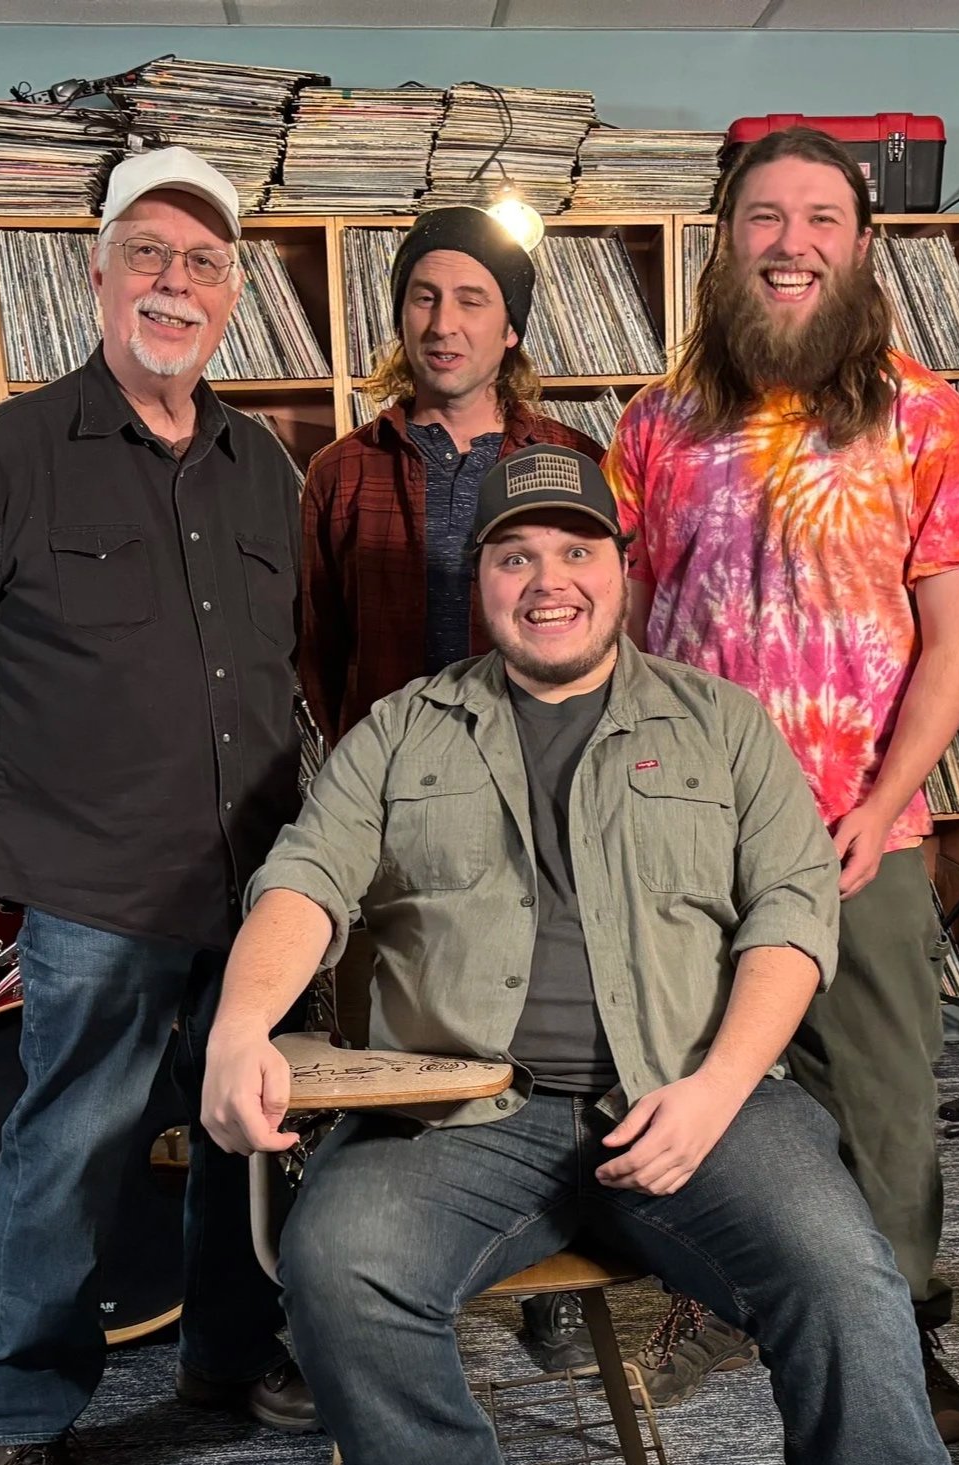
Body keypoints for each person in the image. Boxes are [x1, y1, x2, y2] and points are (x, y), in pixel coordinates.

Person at [202, 445, 959, 1465]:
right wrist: (241, 1023)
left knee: (848, 1283)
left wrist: (721, 1083)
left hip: (696, 1097)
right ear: (477, 581)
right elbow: (301, 882)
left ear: (621, 570)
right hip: (462, 1115)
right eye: (513, 556)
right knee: (338, 1260)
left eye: (574, 552)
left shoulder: (723, 725)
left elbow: (792, 915)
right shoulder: (398, 731)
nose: (546, 579)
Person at [0, 147, 314, 1465]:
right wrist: (40, 815)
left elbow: (282, 666)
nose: (171, 284)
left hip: (253, 887)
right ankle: (25, 1423)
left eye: (200, 264)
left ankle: (225, 1360)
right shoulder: (7, 456)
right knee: (67, 1149)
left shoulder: (264, 469)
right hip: (95, 888)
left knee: (247, 1135)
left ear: (232, 293)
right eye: (147, 255)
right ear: (97, 273)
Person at [606, 127, 959, 1429]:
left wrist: (885, 804)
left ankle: (897, 1335)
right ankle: (732, 1301)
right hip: (683, 842)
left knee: (882, 1101)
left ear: (860, 245)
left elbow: (952, 645)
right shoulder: (655, 428)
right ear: (724, 243)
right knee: (691, 1086)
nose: (790, 243)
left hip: (859, 837)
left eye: (819, 218)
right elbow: (625, 630)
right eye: (763, 218)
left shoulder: (930, 419)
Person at [296, 205, 605, 1373]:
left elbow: (598, 617)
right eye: (424, 297)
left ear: (511, 324)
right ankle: (378, 1257)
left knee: (545, 1006)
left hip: (550, 786)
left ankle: (548, 1269)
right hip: (398, 795)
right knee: (393, 1023)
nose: (445, 321)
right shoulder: (342, 470)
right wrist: (375, 774)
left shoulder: (570, 459)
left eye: (473, 298)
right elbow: (317, 650)